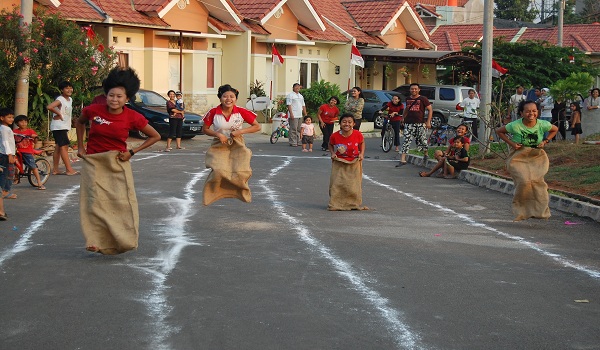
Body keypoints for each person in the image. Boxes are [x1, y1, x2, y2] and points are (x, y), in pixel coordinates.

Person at [76, 67, 161, 255]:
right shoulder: (93, 111)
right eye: (111, 95)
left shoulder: (133, 117)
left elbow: (155, 136)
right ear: (106, 95)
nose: (114, 99)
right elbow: (79, 122)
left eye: (119, 97)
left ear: (127, 99)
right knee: (94, 202)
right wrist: (81, 147)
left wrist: (132, 152)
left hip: (117, 163)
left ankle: (124, 239)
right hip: (93, 163)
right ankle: (95, 240)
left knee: (120, 203)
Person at [496, 100, 558, 221]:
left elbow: (554, 129)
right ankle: (522, 211)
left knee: (537, 182)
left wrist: (545, 141)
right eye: (528, 111)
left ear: (538, 112)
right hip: (519, 156)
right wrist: (512, 144)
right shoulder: (515, 125)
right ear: (521, 113)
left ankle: (540, 211)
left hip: (536, 155)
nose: (531, 114)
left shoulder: (542, 124)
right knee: (524, 181)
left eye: (534, 111)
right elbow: (499, 131)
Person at [202, 84, 261, 205]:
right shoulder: (213, 112)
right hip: (219, 144)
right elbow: (205, 129)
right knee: (218, 170)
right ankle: (213, 194)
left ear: (236, 99)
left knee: (241, 170)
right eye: (225, 96)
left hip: (237, 143)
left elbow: (257, 126)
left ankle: (241, 193)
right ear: (220, 98)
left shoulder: (241, 111)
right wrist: (218, 135)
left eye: (231, 96)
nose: (228, 99)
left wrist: (240, 131)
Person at [327, 113, 367, 211]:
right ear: (340, 124)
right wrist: (332, 153)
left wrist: (361, 153)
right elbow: (330, 144)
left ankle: (353, 203)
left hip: (354, 162)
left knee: (353, 185)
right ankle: (336, 204)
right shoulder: (335, 136)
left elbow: (362, 143)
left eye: (350, 122)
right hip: (339, 162)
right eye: (344, 122)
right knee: (337, 184)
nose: (347, 124)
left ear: (353, 124)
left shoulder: (358, 134)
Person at [46, 81, 78, 176]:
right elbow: (49, 106)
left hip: (64, 126)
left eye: (70, 87)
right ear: (62, 90)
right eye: (66, 88)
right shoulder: (60, 99)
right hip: (59, 126)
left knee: (58, 147)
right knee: (64, 147)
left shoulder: (70, 99)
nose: (69, 90)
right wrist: (59, 113)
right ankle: (69, 169)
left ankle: (55, 170)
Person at [397, 83, 432, 166]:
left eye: (415, 89)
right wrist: (403, 117)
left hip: (420, 123)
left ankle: (426, 154)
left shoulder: (423, 99)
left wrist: (428, 122)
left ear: (419, 90)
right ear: (410, 90)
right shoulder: (408, 98)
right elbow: (407, 108)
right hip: (409, 123)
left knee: (422, 140)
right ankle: (402, 159)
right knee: (406, 140)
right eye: (412, 89)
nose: (414, 90)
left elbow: (430, 109)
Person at [13, 115, 45, 190]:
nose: (24, 123)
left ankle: (39, 182)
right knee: (14, 164)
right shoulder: (15, 132)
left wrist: (35, 137)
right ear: (17, 123)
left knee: (33, 167)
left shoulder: (30, 131)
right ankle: (16, 177)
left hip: (27, 151)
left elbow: (35, 141)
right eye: (21, 121)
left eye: (25, 121)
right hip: (17, 151)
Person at [0, 108, 16, 200]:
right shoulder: (4, 129)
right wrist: (10, 154)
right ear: (2, 118)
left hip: (6, 154)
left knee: (6, 173)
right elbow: (5, 142)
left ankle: (4, 191)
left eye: (12, 117)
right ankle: (4, 192)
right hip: (6, 155)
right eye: (9, 117)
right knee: (7, 174)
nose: (11, 119)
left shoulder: (4, 128)